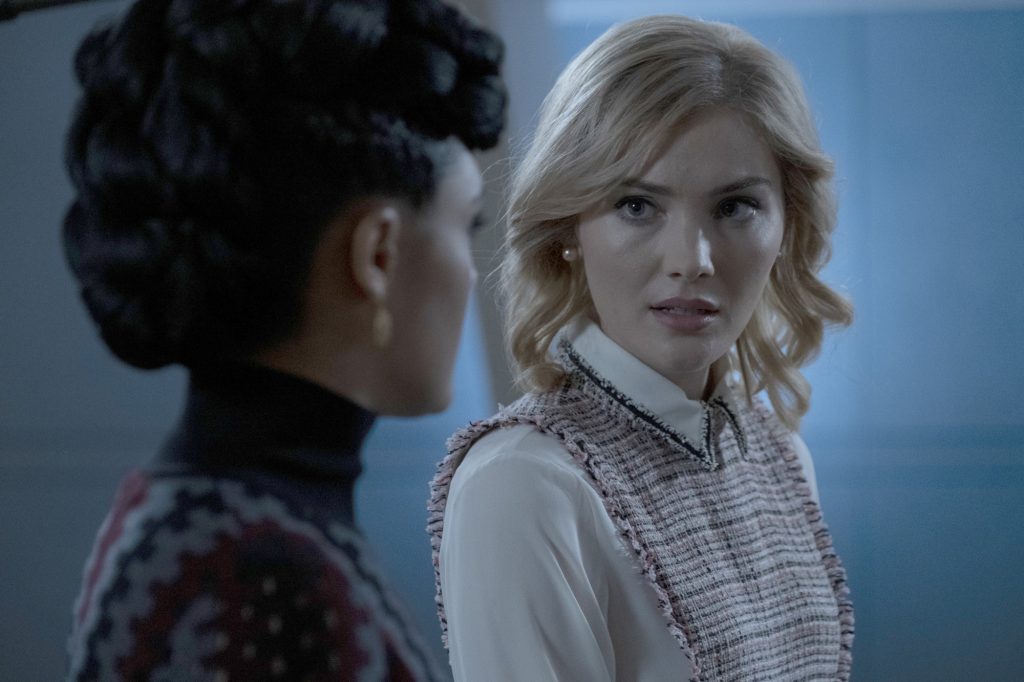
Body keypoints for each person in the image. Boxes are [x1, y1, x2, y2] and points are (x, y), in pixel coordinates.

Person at [63, 0, 505, 679]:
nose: (472, 272)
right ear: (377, 255)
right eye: (467, 224)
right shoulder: (263, 578)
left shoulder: (200, 519)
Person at [428, 14, 854, 682]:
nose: (692, 259)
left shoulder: (780, 458)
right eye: (636, 205)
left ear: (787, 226)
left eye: (735, 207)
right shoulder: (522, 483)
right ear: (568, 228)